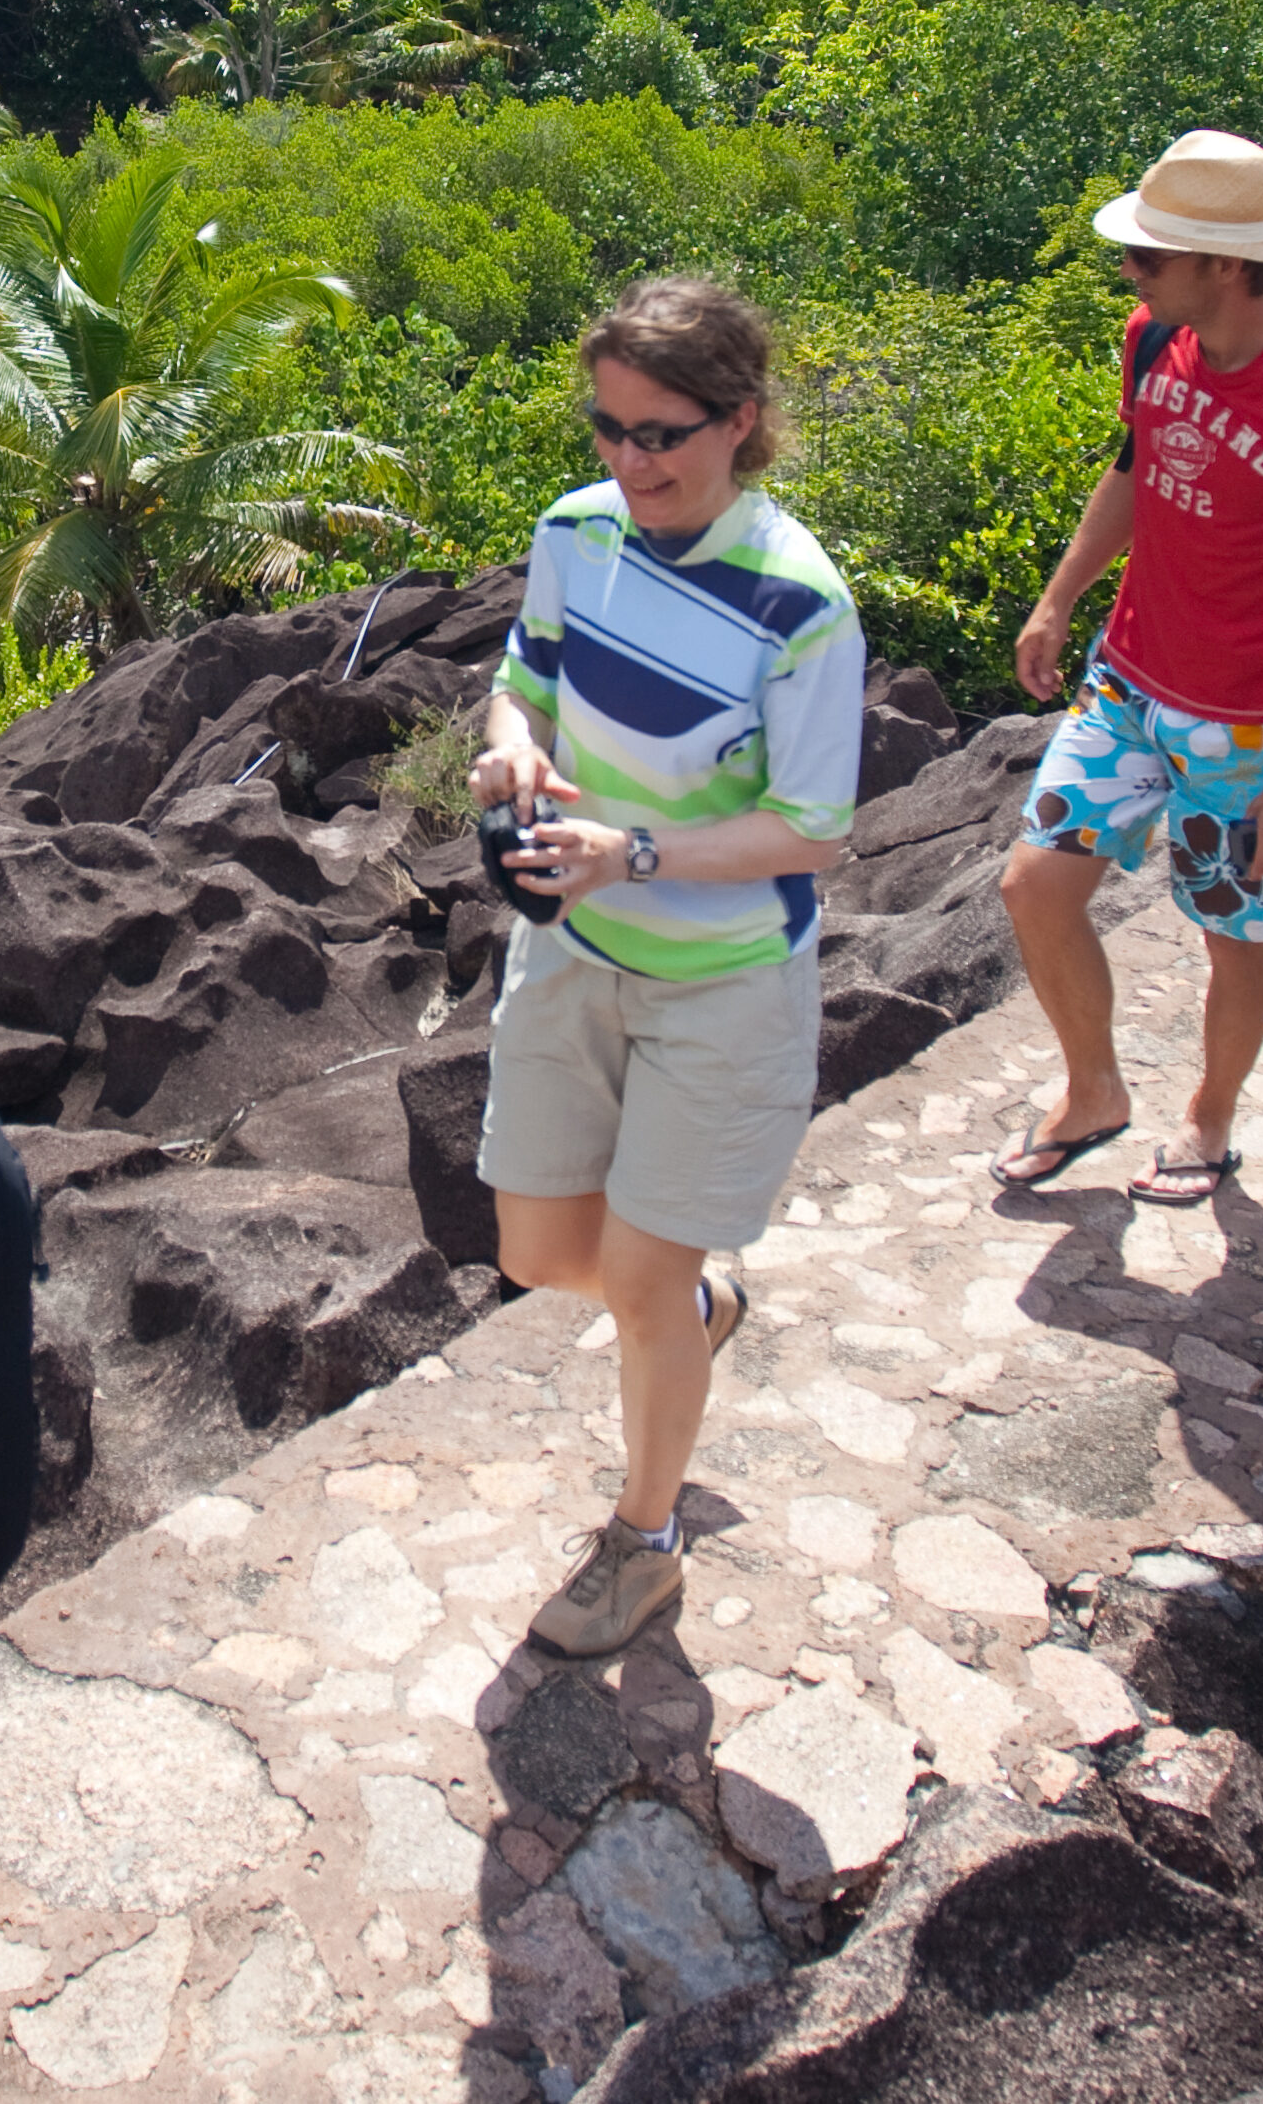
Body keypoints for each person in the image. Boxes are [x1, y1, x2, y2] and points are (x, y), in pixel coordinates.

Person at [471, 278, 864, 1657]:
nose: (630, 462)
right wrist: (511, 741)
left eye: (662, 434)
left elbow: (812, 830)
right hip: (572, 951)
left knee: (630, 1283)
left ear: (739, 423)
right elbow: (523, 672)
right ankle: (691, 1306)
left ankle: (642, 1541)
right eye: (610, 429)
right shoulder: (577, 534)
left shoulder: (799, 602)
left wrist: (624, 850)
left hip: (719, 983)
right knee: (536, 1248)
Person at [988, 132, 1263, 1208]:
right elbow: (1131, 469)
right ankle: (1093, 1093)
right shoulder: (1152, 341)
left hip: (1254, 724)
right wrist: (1057, 596)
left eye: (1147, 256)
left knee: (1230, 936)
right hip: (1130, 682)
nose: (1128, 271)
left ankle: (1209, 1121)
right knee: (1033, 886)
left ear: (1225, 265)